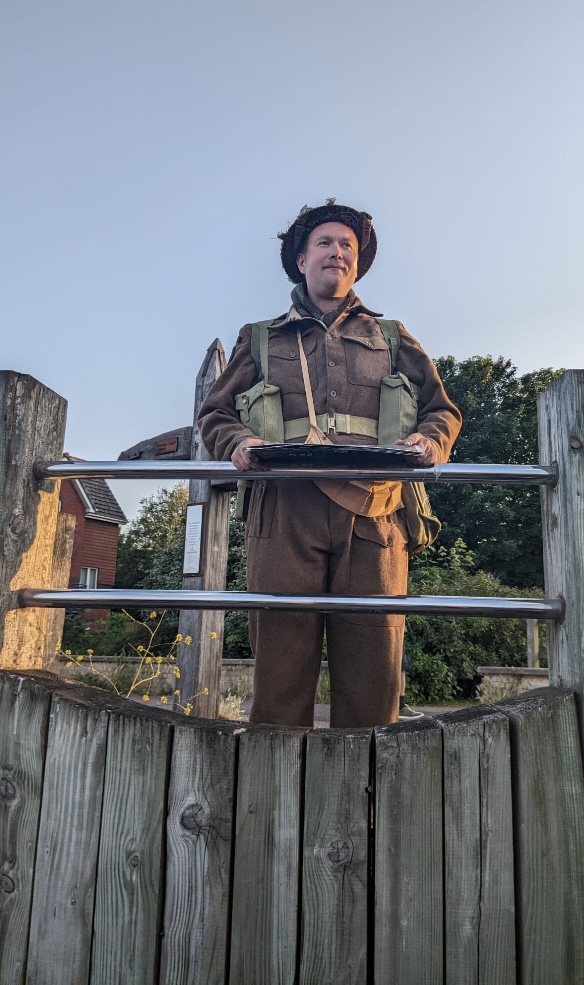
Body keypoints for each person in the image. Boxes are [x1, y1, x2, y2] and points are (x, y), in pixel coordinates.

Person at [198, 200, 462, 728]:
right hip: (282, 516)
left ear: (357, 265)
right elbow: (215, 412)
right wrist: (236, 442)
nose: (337, 252)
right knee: (280, 679)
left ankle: (365, 805)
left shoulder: (391, 337)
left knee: (374, 683)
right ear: (301, 260)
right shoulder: (261, 338)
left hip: (375, 516)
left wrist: (430, 442)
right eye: (325, 243)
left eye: (348, 246)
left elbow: (442, 410)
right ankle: (273, 803)